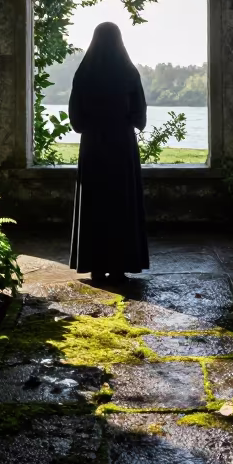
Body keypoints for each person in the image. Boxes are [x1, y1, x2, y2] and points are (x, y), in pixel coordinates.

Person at [68, 22, 150, 281]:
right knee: (120, 202)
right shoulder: (129, 73)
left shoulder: (84, 74)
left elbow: (76, 121)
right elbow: (140, 117)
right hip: (121, 146)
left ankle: (95, 264)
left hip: (93, 146)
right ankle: (119, 264)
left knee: (95, 203)